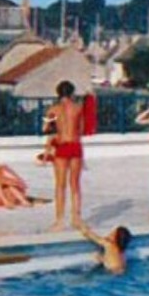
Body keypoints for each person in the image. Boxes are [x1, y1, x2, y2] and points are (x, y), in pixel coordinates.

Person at [45, 80, 90, 230]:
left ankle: (59, 221)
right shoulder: (78, 108)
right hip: (75, 145)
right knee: (75, 184)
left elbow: (46, 129)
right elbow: (81, 129)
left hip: (62, 145)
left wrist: (48, 148)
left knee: (60, 185)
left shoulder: (53, 109)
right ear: (72, 92)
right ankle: (76, 218)